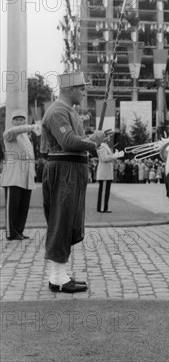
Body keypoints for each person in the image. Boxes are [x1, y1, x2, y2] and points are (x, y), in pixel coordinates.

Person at [41, 71, 106, 294]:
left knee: (68, 221)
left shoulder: (69, 111)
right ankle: (58, 278)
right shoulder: (58, 111)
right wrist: (93, 141)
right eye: (81, 88)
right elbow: (68, 141)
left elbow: (76, 140)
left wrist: (91, 141)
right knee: (61, 220)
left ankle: (59, 275)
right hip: (64, 170)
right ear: (69, 89)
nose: (83, 92)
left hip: (72, 170)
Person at [1, 110, 38, 240]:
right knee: (13, 205)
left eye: (21, 119)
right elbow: (14, 131)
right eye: (16, 119)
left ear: (25, 120)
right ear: (12, 122)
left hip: (27, 173)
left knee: (23, 205)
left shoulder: (27, 137)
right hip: (14, 174)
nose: (19, 121)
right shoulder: (9, 133)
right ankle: (11, 232)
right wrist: (31, 127)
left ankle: (19, 231)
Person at [96, 134, 124, 213]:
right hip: (104, 173)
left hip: (106, 172)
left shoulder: (105, 146)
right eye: (107, 136)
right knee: (104, 191)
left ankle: (104, 207)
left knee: (106, 191)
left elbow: (109, 157)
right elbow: (104, 158)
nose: (109, 138)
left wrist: (115, 155)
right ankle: (102, 208)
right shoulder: (102, 146)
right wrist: (116, 155)